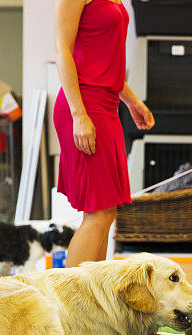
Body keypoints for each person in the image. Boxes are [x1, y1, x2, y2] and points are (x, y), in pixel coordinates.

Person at [54, 0, 155, 267]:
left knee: (105, 213)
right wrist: (79, 114)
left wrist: (133, 101)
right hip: (84, 103)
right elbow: (63, 51)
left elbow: (104, 61)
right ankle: (72, 303)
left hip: (107, 106)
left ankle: (92, 299)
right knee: (98, 213)